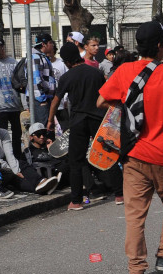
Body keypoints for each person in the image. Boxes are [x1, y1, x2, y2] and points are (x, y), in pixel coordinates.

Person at [96, 20, 163, 274]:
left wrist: (130, 109)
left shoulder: (124, 70)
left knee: (135, 213)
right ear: (161, 46)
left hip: (133, 155)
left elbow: (101, 100)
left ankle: (136, 269)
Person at [47, 42, 122, 209]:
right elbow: (107, 95)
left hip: (78, 122)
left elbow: (55, 101)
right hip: (98, 119)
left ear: (66, 61)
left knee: (76, 161)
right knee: (108, 154)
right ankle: (119, 194)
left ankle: (76, 201)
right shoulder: (96, 73)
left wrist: (50, 121)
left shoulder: (67, 77)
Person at [0, 109, 59, 194]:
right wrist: (12, 172)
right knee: (15, 179)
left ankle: (41, 181)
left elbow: (9, 154)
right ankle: (40, 188)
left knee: (21, 163)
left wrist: (15, 170)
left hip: (6, 163)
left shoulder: (3, 132)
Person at [25, 33, 58, 125]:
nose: (52, 45)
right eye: (50, 42)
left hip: (46, 99)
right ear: (44, 44)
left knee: (48, 127)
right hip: (39, 101)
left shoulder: (43, 57)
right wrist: (42, 100)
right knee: (42, 129)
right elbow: (35, 80)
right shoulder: (35, 57)